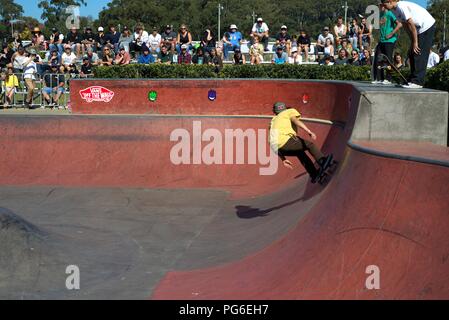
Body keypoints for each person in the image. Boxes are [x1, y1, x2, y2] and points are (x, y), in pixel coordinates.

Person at [269, 102, 333, 183]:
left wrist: (283, 159)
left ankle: (314, 174)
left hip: (279, 149)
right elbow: (295, 121)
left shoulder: (273, 121)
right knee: (310, 145)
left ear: (274, 112)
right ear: (285, 108)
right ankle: (322, 161)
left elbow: (272, 142)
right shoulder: (289, 111)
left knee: (300, 153)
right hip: (287, 141)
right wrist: (309, 131)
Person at [382, 0, 436, 88]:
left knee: (418, 52)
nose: (384, 7)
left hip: (426, 26)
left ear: (390, 2)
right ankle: (412, 80)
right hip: (418, 29)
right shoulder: (394, 10)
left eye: (385, 5)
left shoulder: (401, 6)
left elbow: (412, 25)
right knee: (411, 52)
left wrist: (415, 43)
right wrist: (412, 42)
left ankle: (418, 82)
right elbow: (406, 26)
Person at [373, 2, 402, 84]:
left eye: (380, 5)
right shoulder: (381, 15)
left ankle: (388, 79)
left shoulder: (390, 14)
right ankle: (379, 78)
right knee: (378, 59)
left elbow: (399, 24)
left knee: (388, 60)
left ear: (384, 6)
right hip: (382, 40)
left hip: (390, 41)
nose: (378, 7)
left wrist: (391, 33)